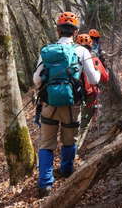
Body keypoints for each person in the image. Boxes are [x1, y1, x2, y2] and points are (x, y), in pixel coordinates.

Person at [33, 12, 101, 197]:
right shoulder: (82, 51)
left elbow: (36, 79)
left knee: (46, 143)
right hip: (72, 105)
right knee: (69, 140)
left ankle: (45, 184)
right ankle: (66, 170)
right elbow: (94, 80)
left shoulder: (47, 51)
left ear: (58, 30)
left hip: (49, 104)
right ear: (76, 31)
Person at [75, 34, 109, 148]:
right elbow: (105, 78)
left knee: (74, 124)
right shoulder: (93, 59)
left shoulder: (71, 60)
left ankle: (73, 148)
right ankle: (76, 149)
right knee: (83, 124)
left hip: (74, 96)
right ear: (90, 45)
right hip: (90, 94)